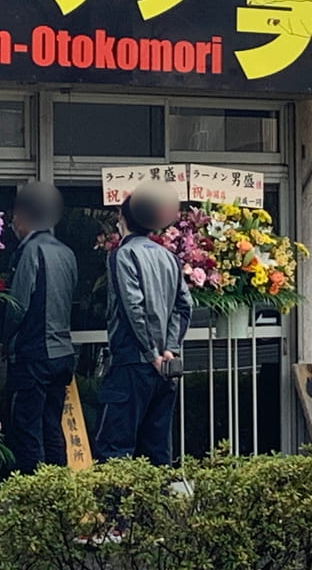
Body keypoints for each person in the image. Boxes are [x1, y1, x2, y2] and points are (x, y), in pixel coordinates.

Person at [95, 182, 192, 464]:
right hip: (166, 367)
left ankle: (118, 509)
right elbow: (183, 306)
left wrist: (151, 353)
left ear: (123, 218)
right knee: (157, 448)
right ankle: (158, 508)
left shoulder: (122, 255)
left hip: (132, 361)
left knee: (115, 448)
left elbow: (132, 308)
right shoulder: (170, 257)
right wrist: (169, 350)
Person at [1, 182, 78, 472]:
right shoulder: (67, 252)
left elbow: (17, 304)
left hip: (34, 354)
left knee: (26, 430)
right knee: (52, 426)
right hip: (62, 354)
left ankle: (32, 498)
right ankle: (59, 488)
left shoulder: (30, 252)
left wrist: (6, 341)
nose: (12, 225)